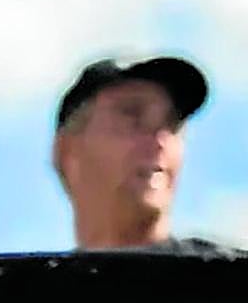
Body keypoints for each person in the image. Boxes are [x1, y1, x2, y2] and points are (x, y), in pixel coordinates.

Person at [52, 55, 227, 253]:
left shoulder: (226, 277)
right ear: (67, 151)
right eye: (132, 116)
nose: (160, 142)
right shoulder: (31, 281)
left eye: (172, 125)